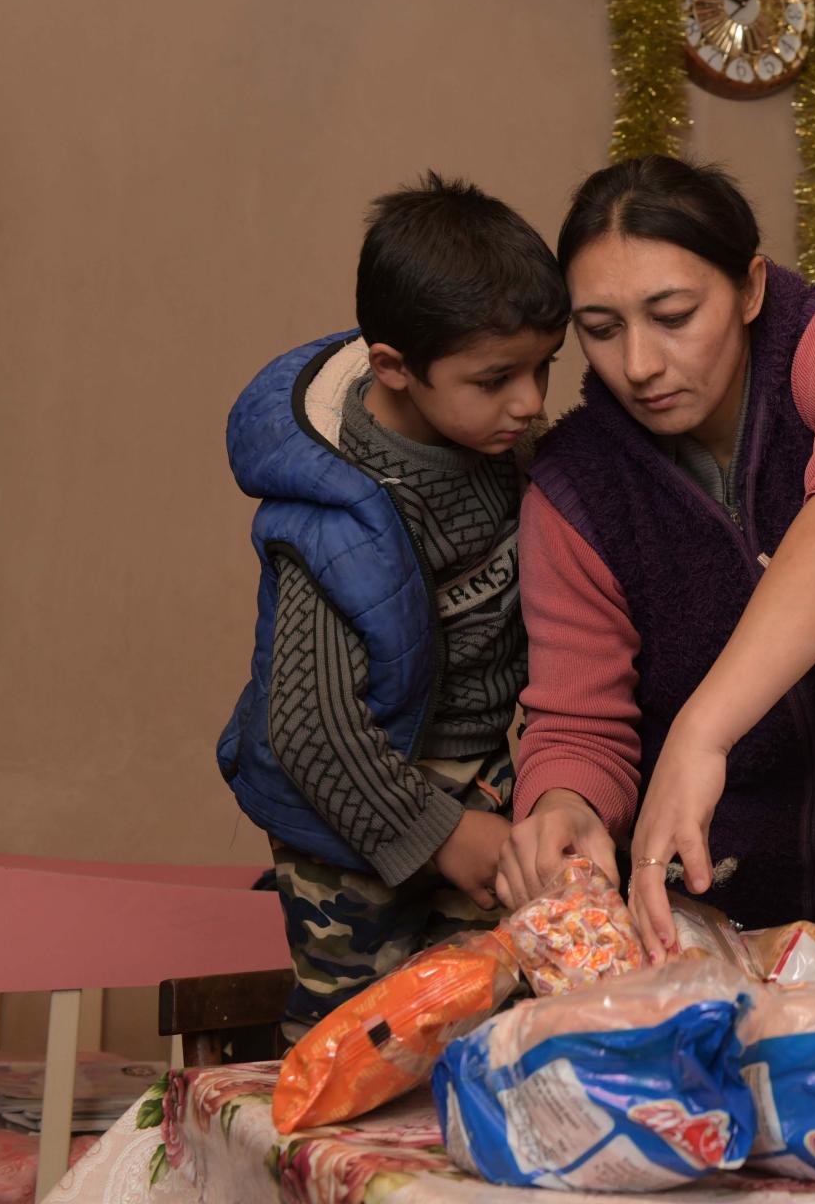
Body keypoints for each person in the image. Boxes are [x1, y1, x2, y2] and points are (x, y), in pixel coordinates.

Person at [493, 155, 815, 961]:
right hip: (723, 937)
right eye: (601, 329)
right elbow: (580, 723)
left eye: (672, 315)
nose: (639, 365)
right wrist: (565, 807)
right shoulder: (574, 488)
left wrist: (702, 730)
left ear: (751, 288)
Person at [217, 173, 567, 1038]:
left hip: (481, 787)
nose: (529, 403)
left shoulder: (504, 449)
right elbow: (309, 726)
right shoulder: (336, 515)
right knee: (362, 1040)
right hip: (351, 805)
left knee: (490, 1018)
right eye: (497, 380)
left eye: (542, 369)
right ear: (394, 370)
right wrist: (444, 834)